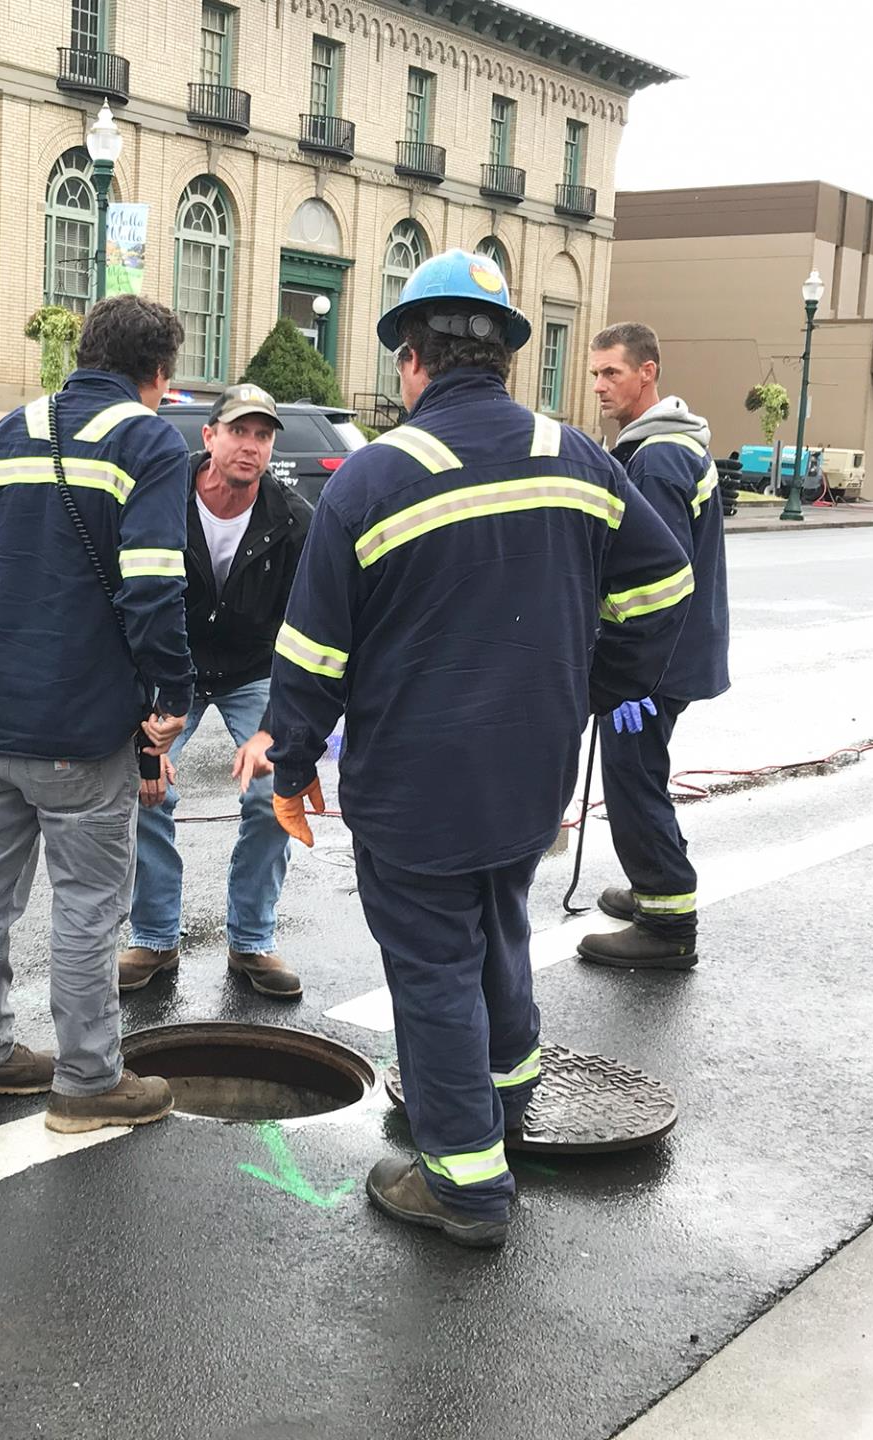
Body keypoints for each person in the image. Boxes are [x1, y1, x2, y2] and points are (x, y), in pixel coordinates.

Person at [238, 251, 694, 1247]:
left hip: (419, 779)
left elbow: (311, 655)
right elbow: (664, 587)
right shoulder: (579, 456)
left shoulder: (374, 478)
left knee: (434, 964)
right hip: (530, 770)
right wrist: (599, 684)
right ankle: (507, 1080)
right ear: (504, 358)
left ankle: (463, 1184)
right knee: (498, 918)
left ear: (414, 361)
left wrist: (292, 767)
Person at [0, 295, 194, 1134]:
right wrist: (171, 696)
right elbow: (153, 584)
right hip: (82, 732)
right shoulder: (148, 438)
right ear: (157, 375)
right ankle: (88, 1081)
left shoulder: (5, 434)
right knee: (88, 904)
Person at [120, 383, 314, 1001]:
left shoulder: (292, 520)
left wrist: (277, 726)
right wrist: (145, 732)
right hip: (169, 667)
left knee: (272, 792)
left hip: (254, 670)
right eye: (239, 431)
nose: (250, 446)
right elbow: (129, 604)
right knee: (146, 788)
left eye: (262, 435)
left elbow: (308, 629)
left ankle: (252, 941)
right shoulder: (161, 498)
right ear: (209, 438)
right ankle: (154, 937)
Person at [578, 322, 731, 971]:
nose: (600, 386)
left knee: (634, 780)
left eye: (612, 372)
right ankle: (651, 890)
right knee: (642, 775)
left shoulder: (659, 458)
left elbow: (654, 583)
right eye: (595, 374)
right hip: (676, 657)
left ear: (649, 373)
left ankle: (668, 919)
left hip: (653, 667)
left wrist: (627, 673)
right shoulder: (668, 447)